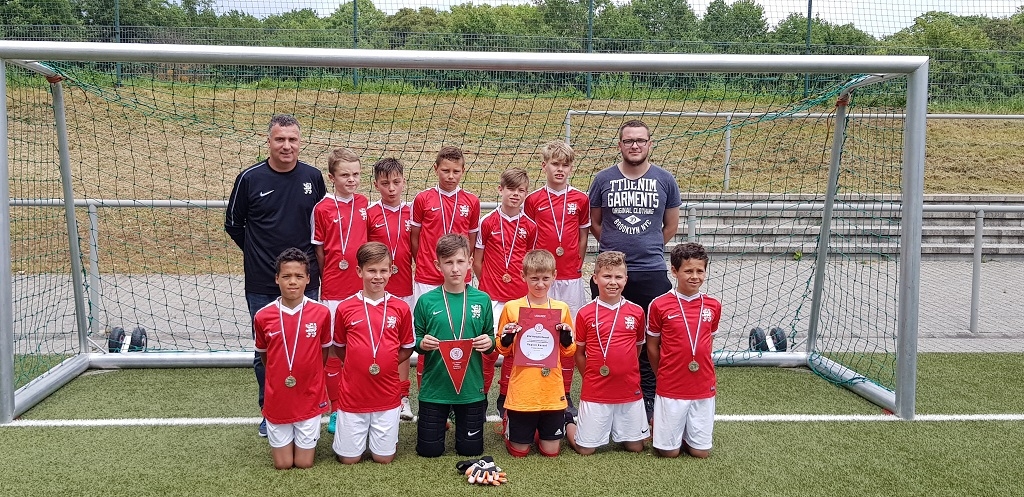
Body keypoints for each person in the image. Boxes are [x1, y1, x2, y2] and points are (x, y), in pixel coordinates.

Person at [225, 114, 327, 437]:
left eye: (292, 139)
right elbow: (233, 224)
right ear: (268, 141)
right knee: (266, 351)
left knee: (307, 348)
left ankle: (306, 408)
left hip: (306, 281)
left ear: (300, 142)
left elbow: (322, 224)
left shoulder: (313, 177)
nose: (286, 145)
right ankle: (269, 410)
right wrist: (260, 256)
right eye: (280, 139)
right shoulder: (249, 178)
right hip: (262, 281)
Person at [588, 119, 681, 422]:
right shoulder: (603, 179)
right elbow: (596, 223)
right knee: (608, 338)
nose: (635, 145)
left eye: (640, 140)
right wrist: (615, 254)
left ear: (649, 143)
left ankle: (649, 397)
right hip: (611, 273)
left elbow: (670, 226)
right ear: (620, 145)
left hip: (651, 271)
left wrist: (647, 246)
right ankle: (605, 394)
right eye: (628, 141)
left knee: (651, 340)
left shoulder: (665, 180)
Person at [331, 242, 415, 464]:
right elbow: (339, 346)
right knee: (349, 459)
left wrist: (388, 361)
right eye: (371, 270)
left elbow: (407, 346)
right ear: (359, 271)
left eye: (383, 270)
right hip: (353, 394)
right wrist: (356, 362)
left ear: (391, 271)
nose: (378, 276)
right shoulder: (345, 308)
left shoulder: (401, 308)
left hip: (387, 394)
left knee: (383, 458)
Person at [524, 140, 590, 417]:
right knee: (538, 332)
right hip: (543, 279)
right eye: (555, 164)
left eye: (565, 165)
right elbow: (528, 236)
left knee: (567, 336)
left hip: (570, 277)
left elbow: (583, 234)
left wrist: (577, 261)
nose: (560, 169)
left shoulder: (581, 199)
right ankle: (537, 388)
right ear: (544, 166)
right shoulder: (533, 200)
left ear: (571, 168)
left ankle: (565, 392)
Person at [414, 234, 495, 457]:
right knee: (429, 451)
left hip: (470, 390)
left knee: (470, 451)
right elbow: (416, 341)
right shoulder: (426, 301)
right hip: (435, 389)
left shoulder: (482, 300)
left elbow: (491, 340)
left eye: (460, 261)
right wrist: (422, 343)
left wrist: (489, 341)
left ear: (470, 262)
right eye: (448, 262)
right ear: (437, 265)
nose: (455, 269)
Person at [253, 248, 333, 469]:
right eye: (286, 276)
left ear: (308, 278)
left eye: (298, 276)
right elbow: (265, 356)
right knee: (284, 464)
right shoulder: (263, 316)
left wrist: (310, 374)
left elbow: (323, 352)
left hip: (309, 395)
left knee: (304, 463)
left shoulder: (321, 313)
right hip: (278, 398)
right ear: (277, 278)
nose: (292, 282)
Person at [493, 249, 575, 457]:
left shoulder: (561, 308)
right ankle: (510, 421)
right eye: (534, 279)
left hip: (551, 388)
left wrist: (566, 339)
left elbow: (569, 351)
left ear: (554, 276)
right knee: (519, 452)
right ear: (523, 276)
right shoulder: (512, 307)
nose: (540, 284)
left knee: (551, 452)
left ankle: (563, 421)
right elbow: (502, 348)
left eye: (545, 278)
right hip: (523, 389)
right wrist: (507, 338)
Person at [565, 251, 647, 455]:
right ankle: (568, 423)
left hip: (628, 387)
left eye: (618, 277)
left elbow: (637, 347)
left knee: (636, 447)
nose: (613, 282)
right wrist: (590, 376)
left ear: (626, 279)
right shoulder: (585, 313)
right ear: (595, 278)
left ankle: (622, 429)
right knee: (585, 449)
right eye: (607, 276)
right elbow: (579, 353)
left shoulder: (637, 312)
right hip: (596, 388)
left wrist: (624, 369)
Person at [311, 147, 369, 433]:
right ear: (332, 177)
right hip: (334, 289)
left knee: (362, 349)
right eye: (345, 175)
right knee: (335, 352)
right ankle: (336, 409)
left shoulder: (364, 203)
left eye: (356, 174)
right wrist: (333, 274)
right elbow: (320, 252)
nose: (352, 180)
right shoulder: (321, 208)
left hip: (362, 289)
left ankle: (361, 402)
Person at [646, 242, 722, 458]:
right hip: (671, 384)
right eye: (688, 271)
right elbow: (652, 346)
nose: (695, 276)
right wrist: (662, 373)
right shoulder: (659, 305)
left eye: (700, 271)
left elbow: (708, 342)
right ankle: (664, 429)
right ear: (674, 271)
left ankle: (688, 434)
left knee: (700, 452)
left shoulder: (713, 305)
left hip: (702, 383)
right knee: (668, 453)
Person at [473, 168, 538, 417]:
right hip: (491, 297)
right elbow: (477, 260)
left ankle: (505, 397)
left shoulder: (530, 226)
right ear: (500, 190)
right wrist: (489, 284)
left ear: (526, 194)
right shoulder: (487, 222)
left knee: (514, 350)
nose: (515, 194)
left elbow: (530, 263)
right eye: (511, 189)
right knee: (487, 350)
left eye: (521, 190)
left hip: (518, 299)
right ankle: (480, 397)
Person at [366, 157, 415, 421]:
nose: (392, 188)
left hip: (405, 288)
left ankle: (402, 396)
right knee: (376, 343)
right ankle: (376, 392)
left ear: (404, 182)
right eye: (385, 183)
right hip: (377, 291)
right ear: (376, 185)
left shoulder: (413, 213)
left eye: (396, 182)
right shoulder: (369, 213)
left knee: (403, 343)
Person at [410, 146, 481, 301]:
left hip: (459, 276)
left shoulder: (472, 201)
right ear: (436, 169)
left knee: (459, 316)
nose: (450, 176)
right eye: (445, 171)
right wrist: (424, 263)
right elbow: (414, 238)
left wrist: (458, 264)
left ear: (463, 170)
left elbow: (471, 240)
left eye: (456, 171)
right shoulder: (422, 198)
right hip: (428, 276)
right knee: (426, 316)